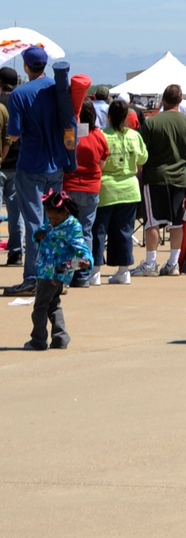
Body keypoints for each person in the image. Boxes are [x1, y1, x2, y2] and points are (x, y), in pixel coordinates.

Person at [3, 46, 66, 297]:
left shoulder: (19, 94)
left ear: (26, 67)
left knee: (33, 224)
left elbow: (15, 133)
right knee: (56, 222)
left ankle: (32, 278)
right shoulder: (58, 90)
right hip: (56, 164)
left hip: (30, 165)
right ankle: (54, 277)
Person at [135, 83, 186, 277]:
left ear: (163, 100)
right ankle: (173, 263)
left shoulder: (152, 122)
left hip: (155, 177)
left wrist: (138, 174)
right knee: (177, 223)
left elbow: (141, 153)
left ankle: (150, 263)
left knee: (152, 222)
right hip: (180, 178)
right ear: (180, 101)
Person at [25, 189, 91, 351]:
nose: (52, 222)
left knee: (40, 307)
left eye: (56, 218)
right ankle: (60, 337)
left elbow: (80, 246)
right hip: (46, 270)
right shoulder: (51, 224)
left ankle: (38, 340)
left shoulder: (72, 227)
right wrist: (38, 234)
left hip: (53, 272)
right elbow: (43, 230)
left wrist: (86, 259)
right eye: (50, 218)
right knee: (53, 304)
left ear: (66, 212)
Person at [93, 98, 147, 285]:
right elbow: (142, 160)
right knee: (124, 230)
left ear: (108, 116)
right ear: (126, 117)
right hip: (130, 188)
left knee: (99, 230)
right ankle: (123, 271)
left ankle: (95, 272)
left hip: (106, 188)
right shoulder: (134, 136)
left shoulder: (102, 135)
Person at [63, 101, 109, 286]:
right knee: (86, 232)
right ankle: (83, 275)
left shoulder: (70, 134)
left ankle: (67, 274)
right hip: (91, 187)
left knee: (68, 233)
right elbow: (102, 164)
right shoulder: (99, 136)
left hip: (70, 186)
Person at [0, 65, 23, 267]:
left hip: (1, 164)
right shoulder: (20, 102)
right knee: (16, 213)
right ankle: (16, 253)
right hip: (18, 165)